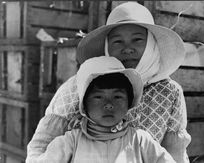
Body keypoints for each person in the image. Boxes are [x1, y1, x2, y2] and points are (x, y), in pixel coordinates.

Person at [26, 2, 191, 163]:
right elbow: (42, 146)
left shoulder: (169, 92)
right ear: (106, 46)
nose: (127, 48)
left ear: (152, 44)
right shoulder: (79, 85)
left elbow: (174, 153)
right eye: (117, 41)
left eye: (138, 40)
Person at [27, 56, 176, 163]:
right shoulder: (70, 142)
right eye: (98, 97)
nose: (109, 104)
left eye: (117, 97)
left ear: (129, 103)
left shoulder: (140, 140)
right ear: (84, 105)